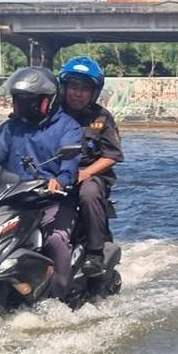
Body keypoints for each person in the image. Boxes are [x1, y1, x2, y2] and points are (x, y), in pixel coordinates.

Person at [0, 66, 83, 299]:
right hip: (12, 198)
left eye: (30, 101)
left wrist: (60, 181)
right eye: (19, 101)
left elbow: (70, 166)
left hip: (50, 200)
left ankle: (60, 296)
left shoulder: (68, 126)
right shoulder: (12, 128)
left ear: (48, 101)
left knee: (56, 239)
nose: (24, 106)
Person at [59, 56, 124, 267]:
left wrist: (86, 173)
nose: (77, 93)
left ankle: (95, 253)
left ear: (93, 92)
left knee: (89, 192)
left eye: (84, 88)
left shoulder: (102, 117)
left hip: (89, 175)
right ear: (65, 87)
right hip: (54, 173)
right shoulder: (51, 114)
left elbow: (112, 155)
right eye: (74, 86)